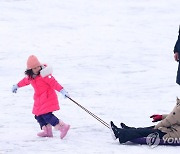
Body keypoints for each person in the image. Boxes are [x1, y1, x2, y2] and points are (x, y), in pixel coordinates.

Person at [12, 55, 70, 139]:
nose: (37, 69)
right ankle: (47, 131)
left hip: (48, 97)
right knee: (38, 115)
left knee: (46, 115)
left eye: (38, 66)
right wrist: (17, 85)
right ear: (30, 69)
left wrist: (62, 91)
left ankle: (62, 126)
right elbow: (24, 81)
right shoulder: (30, 77)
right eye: (35, 68)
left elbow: (54, 83)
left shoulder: (45, 75)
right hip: (39, 99)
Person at [110, 97, 180, 144]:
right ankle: (129, 130)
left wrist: (155, 128)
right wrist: (162, 117)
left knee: (148, 132)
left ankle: (120, 134)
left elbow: (169, 120)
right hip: (175, 129)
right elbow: (175, 117)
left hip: (173, 134)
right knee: (149, 128)